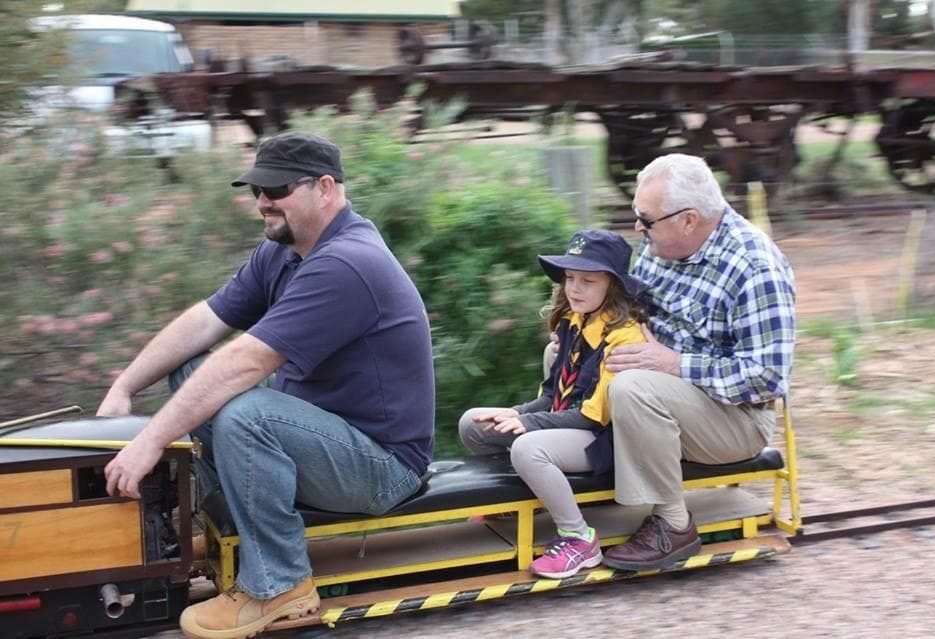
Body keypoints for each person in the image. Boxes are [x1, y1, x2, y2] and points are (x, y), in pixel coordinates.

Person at [97, 132, 435, 639]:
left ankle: (280, 587)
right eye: (257, 189)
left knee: (244, 410)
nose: (262, 202)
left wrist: (149, 441)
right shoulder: (283, 250)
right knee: (191, 371)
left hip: (381, 465)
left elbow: (245, 361)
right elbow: (207, 322)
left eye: (276, 189)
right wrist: (123, 387)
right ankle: (239, 524)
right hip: (321, 442)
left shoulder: (346, 263)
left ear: (324, 188)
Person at [599, 153, 796, 571]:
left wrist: (674, 364)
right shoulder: (660, 244)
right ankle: (578, 475)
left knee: (632, 387)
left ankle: (673, 526)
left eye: (646, 219)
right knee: (574, 353)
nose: (638, 227)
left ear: (688, 220)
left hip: (736, 419)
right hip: (671, 392)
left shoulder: (754, 268)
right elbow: (637, 308)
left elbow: (766, 378)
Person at [459, 229, 648, 579]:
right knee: (473, 424)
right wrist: (516, 413)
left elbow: (595, 418)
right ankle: (520, 506)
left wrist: (529, 425)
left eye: (587, 281)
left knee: (529, 449)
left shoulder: (624, 338)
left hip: (608, 442)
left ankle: (579, 539)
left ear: (613, 286)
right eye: (570, 278)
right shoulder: (573, 321)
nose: (574, 288)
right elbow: (552, 396)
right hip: (571, 426)